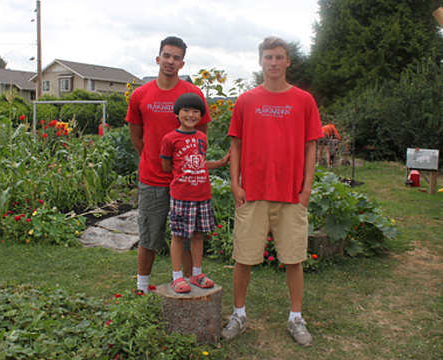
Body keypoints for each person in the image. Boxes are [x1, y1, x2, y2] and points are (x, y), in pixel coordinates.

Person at [222, 36, 323, 347]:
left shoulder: (304, 100)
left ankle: (296, 317)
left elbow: (311, 147)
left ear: (288, 61)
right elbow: (235, 145)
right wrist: (236, 183)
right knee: (244, 257)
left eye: (279, 57)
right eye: (268, 57)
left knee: (294, 259)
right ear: (260, 61)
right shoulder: (246, 101)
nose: (274, 63)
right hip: (253, 192)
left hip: (292, 194)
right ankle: (239, 314)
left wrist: (307, 188)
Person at [126, 36, 212, 294]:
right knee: (150, 235)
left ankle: (188, 284)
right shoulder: (141, 94)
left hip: (187, 184)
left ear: (182, 63)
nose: (170, 61)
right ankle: (142, 287)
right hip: (152, 179)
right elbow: (135, 134)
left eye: (176, 57)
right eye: (166, 55)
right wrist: (156, 161)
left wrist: (183, 167)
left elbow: (201, 133)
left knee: (187, 238)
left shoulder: (193, 94)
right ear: (158, 58)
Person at [160, 93, 230, 293]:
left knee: (198, 235)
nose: (190, 115)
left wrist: (221, 162)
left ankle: (196, 274)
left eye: (195, 111)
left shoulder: (201, 137)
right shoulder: (170, 138)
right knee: (179, 236)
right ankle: (177, 277)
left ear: (201, 116)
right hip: (182, 195)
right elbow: (167, 166)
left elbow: (199, 162)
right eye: (186, 111)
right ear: (177, 114)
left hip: (203, 195)